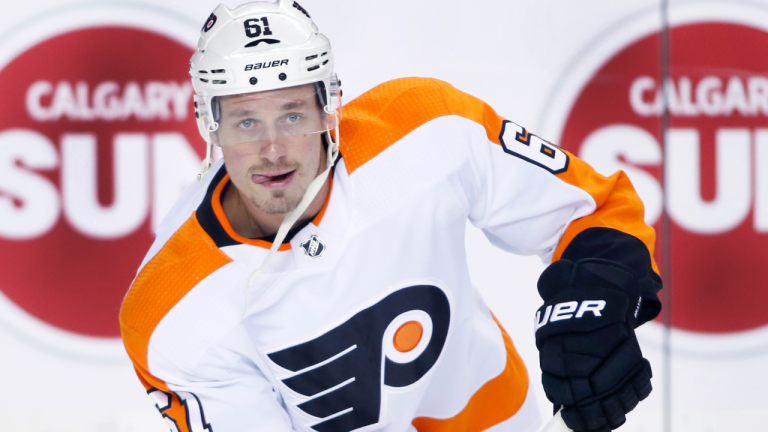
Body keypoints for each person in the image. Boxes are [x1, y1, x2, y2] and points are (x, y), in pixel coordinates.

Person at [119, 1, 662, 432]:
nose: (274, 149)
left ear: (329, 106)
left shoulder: (424, 128)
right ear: (207, 125)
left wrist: (598, 301)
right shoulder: (170, 317)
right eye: (245, 123)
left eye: (292, 113)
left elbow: (595, 208)